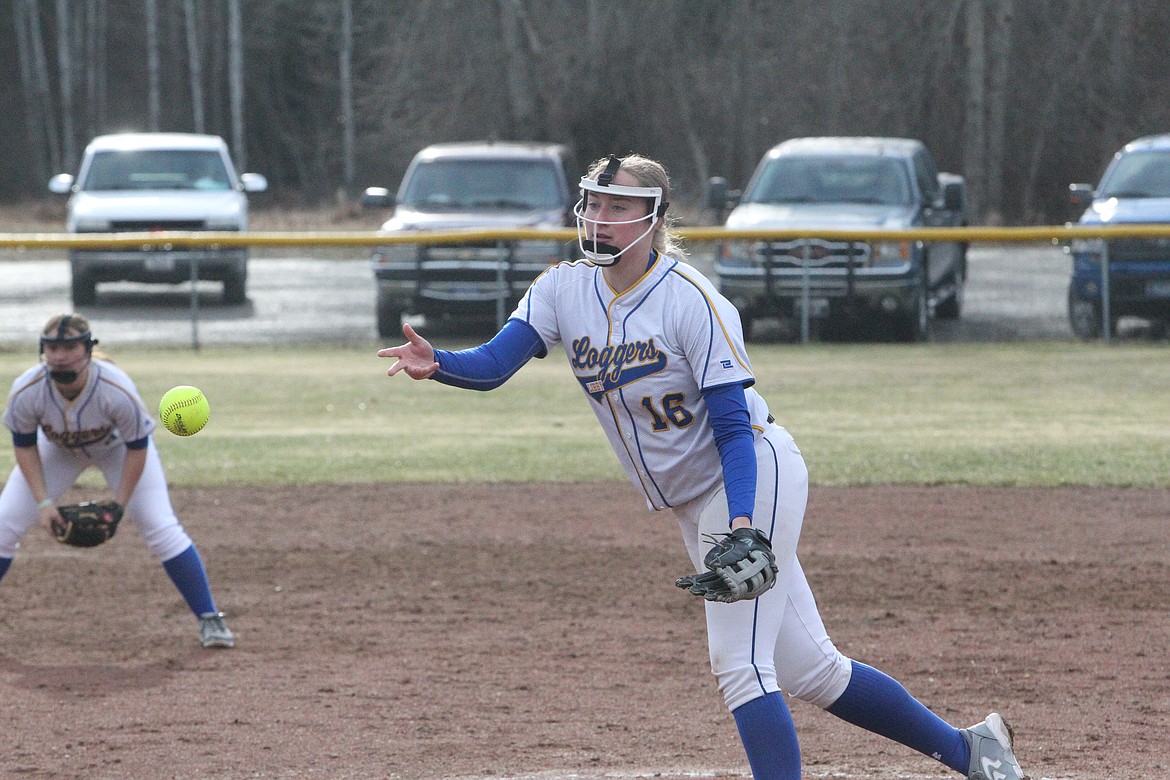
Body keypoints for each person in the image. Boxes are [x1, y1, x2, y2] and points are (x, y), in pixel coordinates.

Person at [377, 154, 1027, 780]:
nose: (600, 217)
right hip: (695, 500)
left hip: (747, 475)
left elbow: (733, 426)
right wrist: (442, 365)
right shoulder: (560, 290)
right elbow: (495, 363)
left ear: (654, 219)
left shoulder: (692, 301)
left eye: (619, 206)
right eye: (595, 203)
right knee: (811, 671)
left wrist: (743, 521)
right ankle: (974, 753)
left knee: (741, 663)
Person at [0, 313, 235, 649]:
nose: (59, 355)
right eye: (52, 347)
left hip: (117, 449)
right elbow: (24, 447)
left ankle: (210, 618)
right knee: (3, 524)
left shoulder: (115, 389)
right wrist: (42, 503)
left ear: (88, 350)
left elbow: (137, 448)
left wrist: (119, 506)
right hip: (57, 450)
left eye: (69, 347)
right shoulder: (27, 389)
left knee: (160, 525)